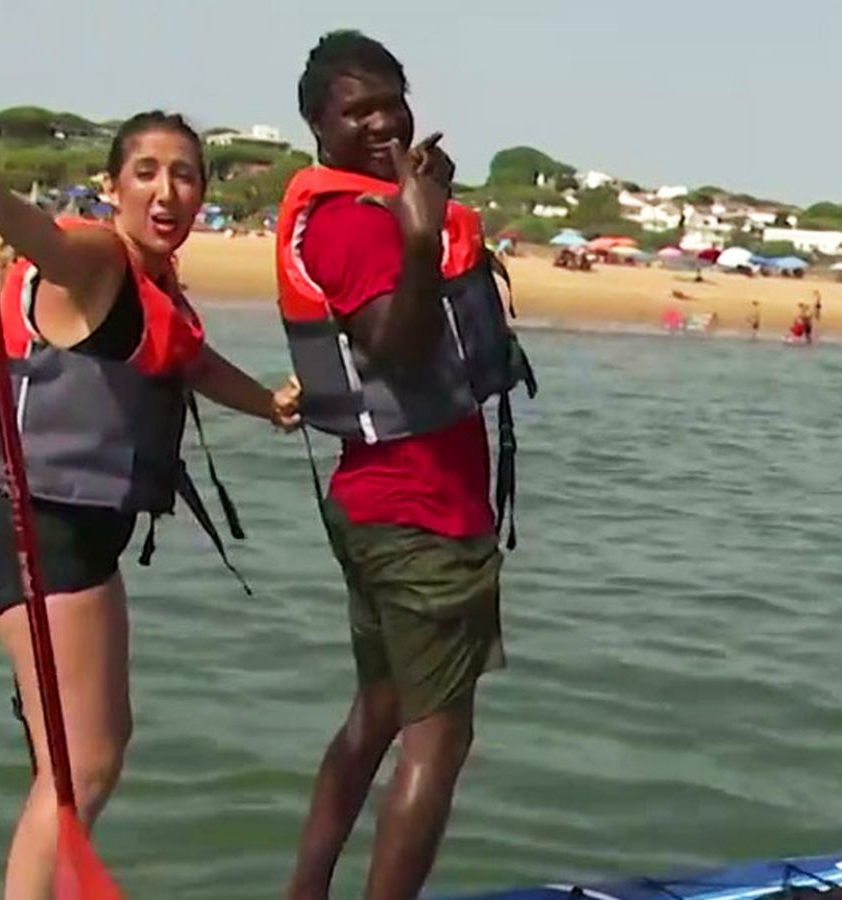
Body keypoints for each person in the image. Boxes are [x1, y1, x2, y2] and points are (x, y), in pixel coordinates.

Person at [0, 111, 301, 900]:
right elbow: (52, 245)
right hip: (42, 534)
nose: (167, 191)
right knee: (81, 767)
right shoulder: (98, 258)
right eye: (146, 172)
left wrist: (269, 403)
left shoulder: (152, 286)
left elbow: (191, 362)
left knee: (87, 754)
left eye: (185, 175)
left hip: (76, 541)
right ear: (111, 187)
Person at [276, 31, 535, 900]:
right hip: (419, 518)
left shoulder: (373, 206)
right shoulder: (354, 225)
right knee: (439, 739)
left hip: (376, 507)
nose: (382, 121)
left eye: (392, 100)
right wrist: (420, 235)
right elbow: (393, 346)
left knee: (379, 712)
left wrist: (422, 201)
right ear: (317, 123)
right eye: (358, 110)